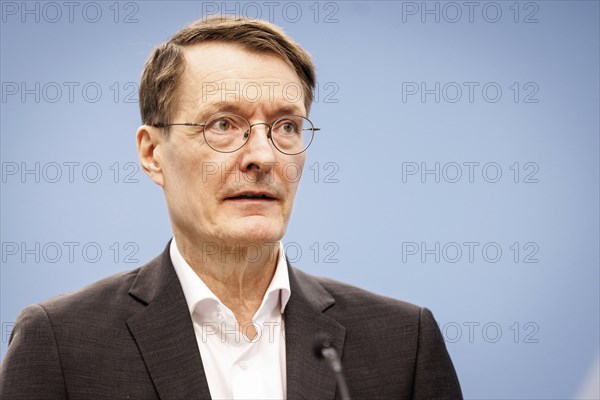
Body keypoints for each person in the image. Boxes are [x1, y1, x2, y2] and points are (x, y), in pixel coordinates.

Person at [1, 17, 462, 399]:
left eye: (286, 126)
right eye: (223, 124)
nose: (263, 156)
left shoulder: (403, 343)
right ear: (151, 153)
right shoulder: (62, 343)